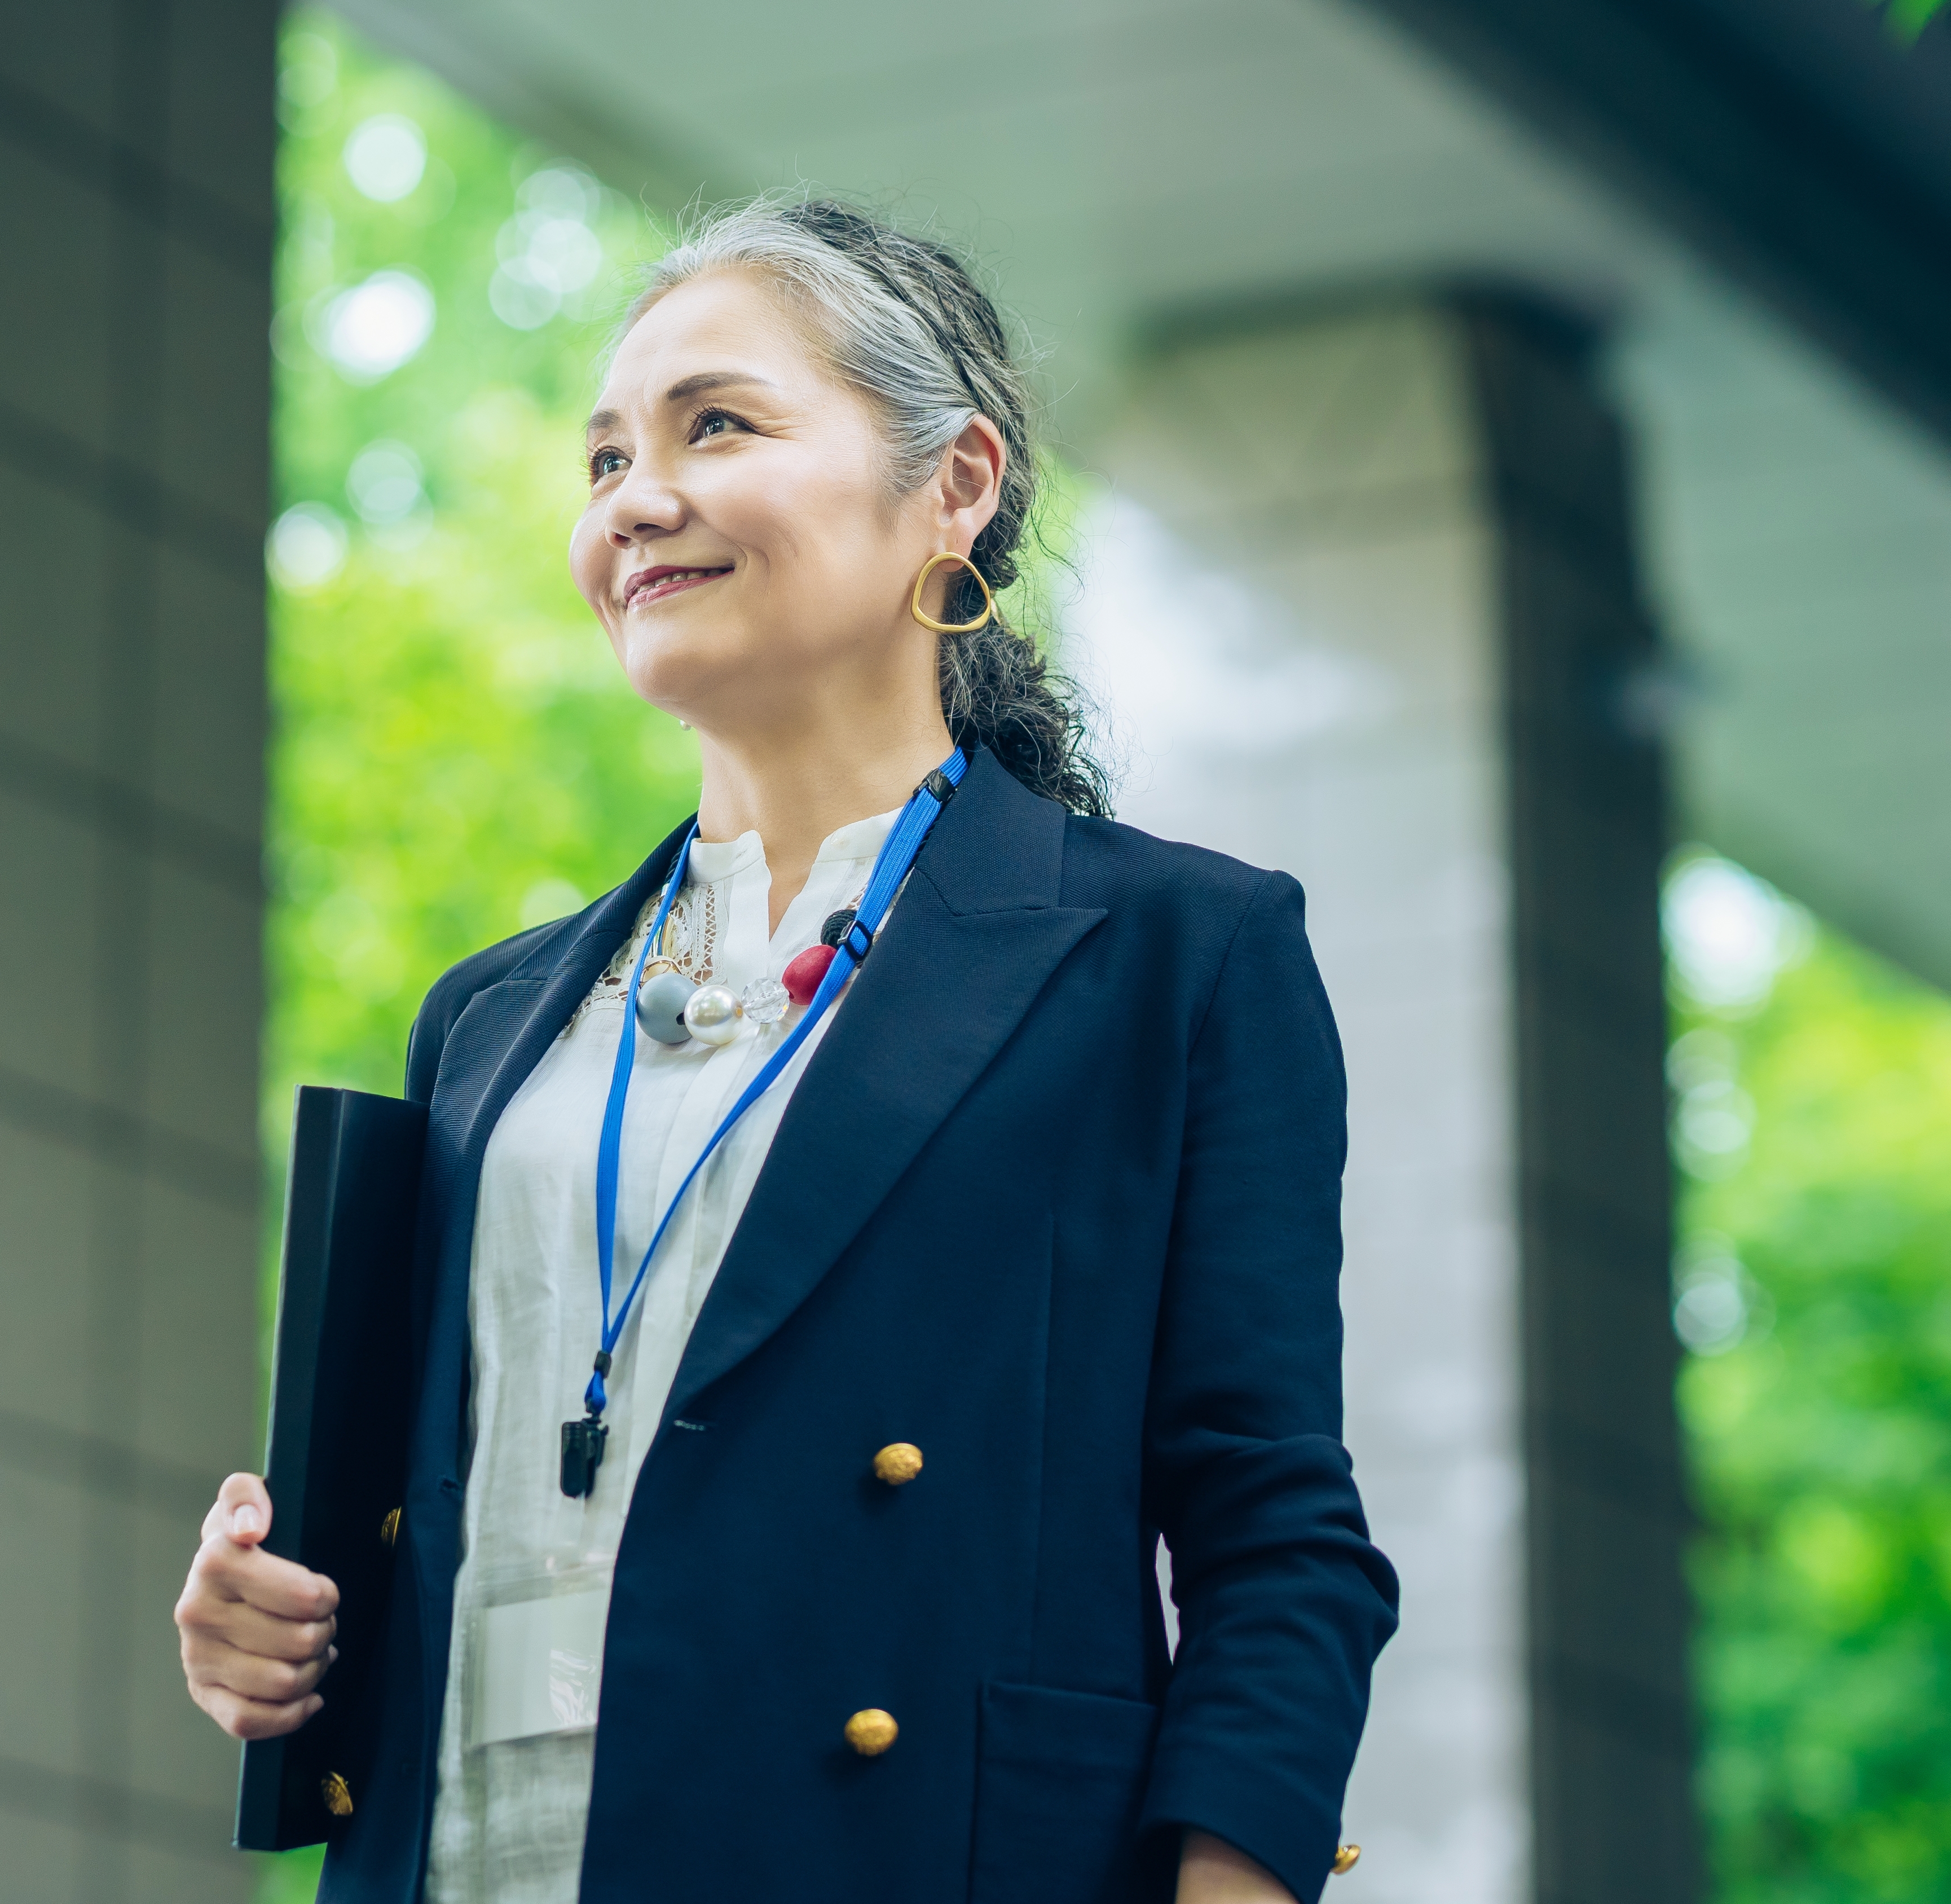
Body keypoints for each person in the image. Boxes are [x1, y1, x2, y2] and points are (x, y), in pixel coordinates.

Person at [177, 196, 1396, 1904]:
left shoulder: (1177, 955)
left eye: (716, 425)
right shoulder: (492, 1019)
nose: (635, 501)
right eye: (603, 459)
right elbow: (433, 1522)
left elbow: (1279, 1540)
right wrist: (265, 1625)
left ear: (953, 486)